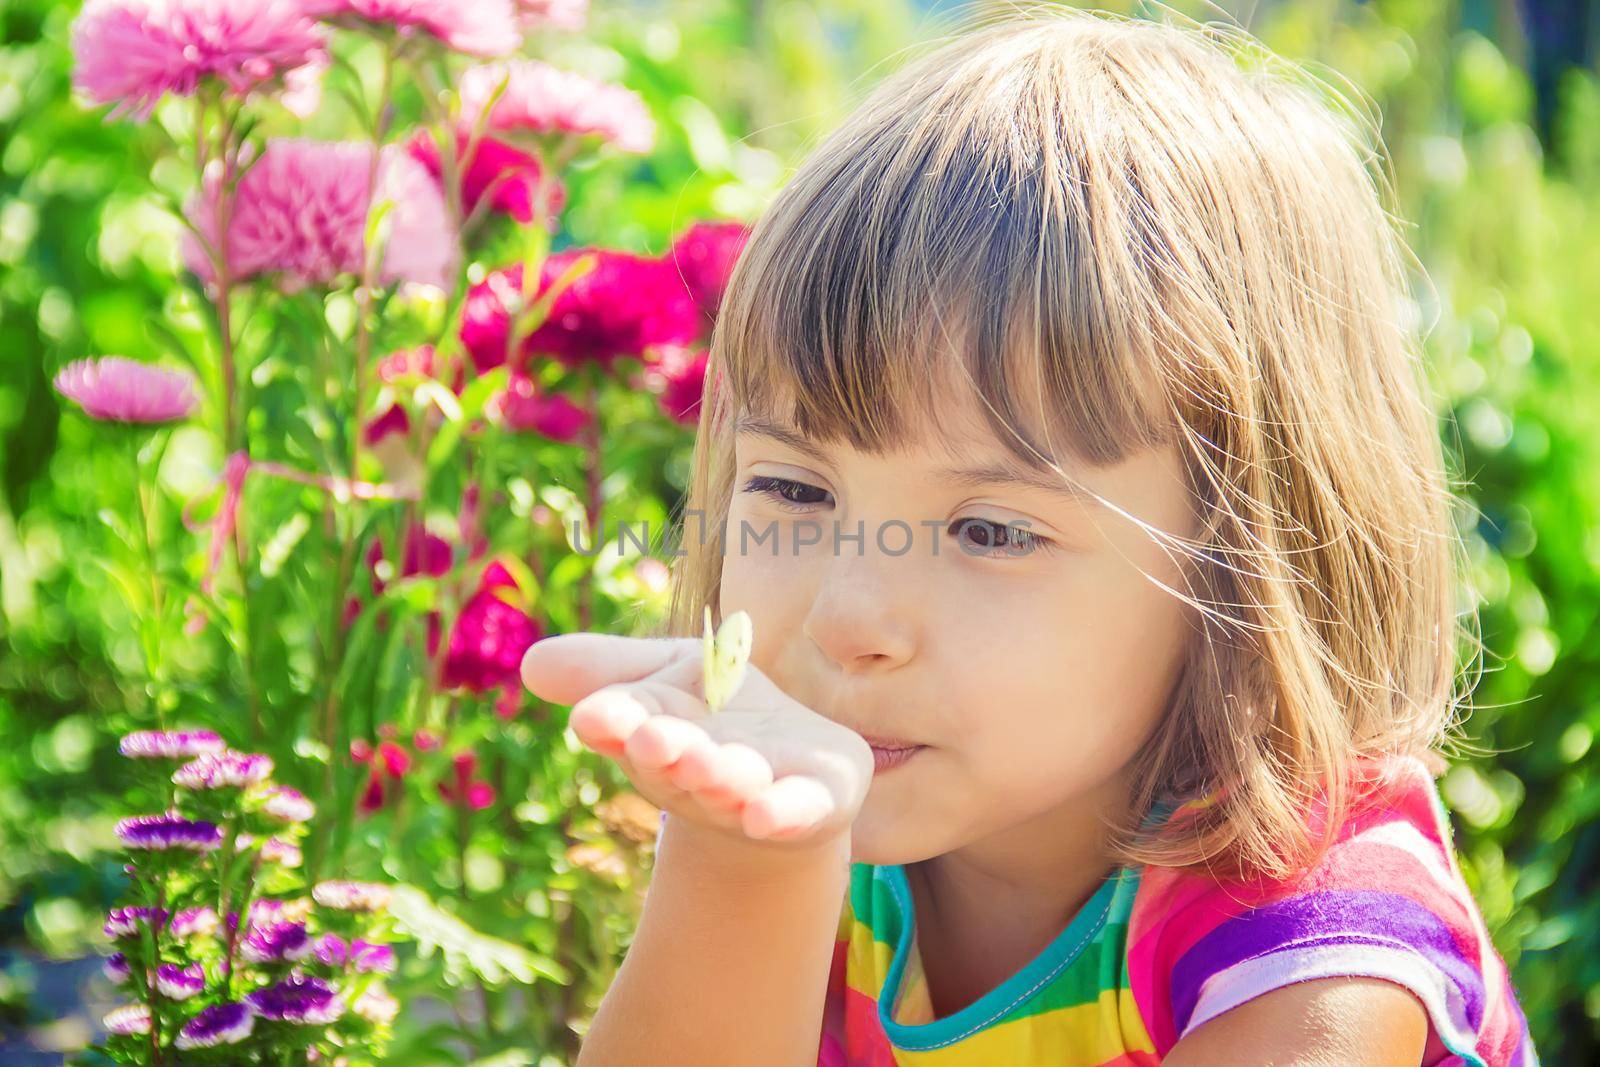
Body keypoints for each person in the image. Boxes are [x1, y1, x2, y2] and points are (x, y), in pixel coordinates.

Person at [519, 6, 1537, 1065]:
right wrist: (743, 865)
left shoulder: (1315, 928)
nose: (847, 616)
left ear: (1240, 567)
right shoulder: (843, 819)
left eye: (992, 529)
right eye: (796, 489)